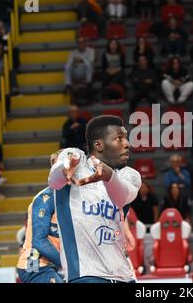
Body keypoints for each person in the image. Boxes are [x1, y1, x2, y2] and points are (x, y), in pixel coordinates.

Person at [48, 115, 142, 283]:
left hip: (124, 276)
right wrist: (65, 169)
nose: (127, 144)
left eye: (126, 139)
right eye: (118, 139)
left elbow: (122, 196)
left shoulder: (130, 175)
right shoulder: (76, 158)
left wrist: (109, 177)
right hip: (86, 274)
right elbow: (54, 181)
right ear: (98, 145)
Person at [17, 152, 63, 283]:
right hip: (35, 265)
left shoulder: (72, 199)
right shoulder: (44, 198)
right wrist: (67, 264)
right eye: (55, 165)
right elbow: (39, 241)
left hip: (54, 266)